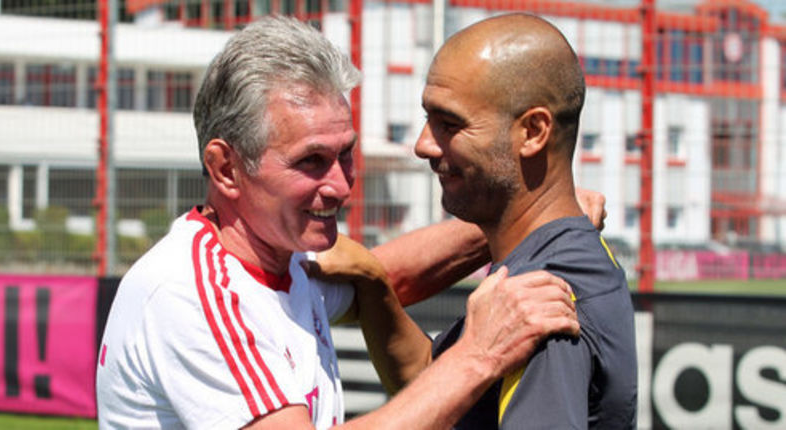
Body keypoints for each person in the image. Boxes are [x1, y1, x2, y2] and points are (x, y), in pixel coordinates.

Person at [95, 15, 580, 429]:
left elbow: (382, 275)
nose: (341, 186)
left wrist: (537, 214)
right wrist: (479, 354)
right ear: (225, 168)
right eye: (311, 161)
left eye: (345, 154)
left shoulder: (279, 255)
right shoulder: (193, 293)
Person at [396, 13, 637, 428]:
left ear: (533, 132)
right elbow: (439, 391)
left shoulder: (539, 302)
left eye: (449, 124)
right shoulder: (550, 262)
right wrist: (369, 285)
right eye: (426, 120)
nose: (423, 145)